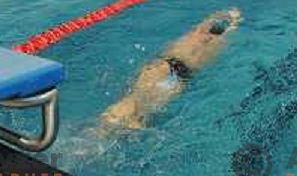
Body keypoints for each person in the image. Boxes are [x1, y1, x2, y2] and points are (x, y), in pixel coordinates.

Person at [99, 8, 242, 130]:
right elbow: (229, 31)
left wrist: (225, 14)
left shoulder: (193, 36)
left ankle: (112, 119)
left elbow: (203, 24)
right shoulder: (219, 43)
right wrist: (235, 21)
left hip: (163, 63)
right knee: (149, 103)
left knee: (137, 95)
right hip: (182, 74)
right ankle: (130, 121)